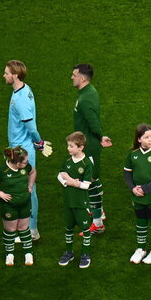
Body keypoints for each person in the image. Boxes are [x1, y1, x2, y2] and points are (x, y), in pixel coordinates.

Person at [5, 60, 48, 241]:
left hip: (22, 150)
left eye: (7, 73)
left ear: (15, 75)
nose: (4, 75)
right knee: (26, 187)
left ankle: (31, 230)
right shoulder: (25, 89)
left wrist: (39, 143)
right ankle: (29, 227)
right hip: (21, 146)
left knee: (29, 188)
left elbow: (30, 126)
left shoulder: (20, 100)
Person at [71, 63, 112, 233]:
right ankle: (99, 213)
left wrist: (100, 136)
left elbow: (93, 122)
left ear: (82, 78)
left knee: (91, 182)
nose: (72, 77)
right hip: (89, 144)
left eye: (74, 75)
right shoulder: (89, 92)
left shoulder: (85, 98)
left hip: (88, 147)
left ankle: (97, 224)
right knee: (93, 179)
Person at [0, 146, 36, 266]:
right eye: (25, 161)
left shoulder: (25, 167)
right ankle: (9, 254)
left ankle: (28, 253)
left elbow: (33, 172)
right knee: (10, 229)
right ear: (17, 164)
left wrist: (30, 185)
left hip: (25, 204)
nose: (27, 163)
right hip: (9, 207)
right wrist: (0, 193)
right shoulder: (2, 172)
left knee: (24, 228)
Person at [124, 124, 151, 265]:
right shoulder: (132, 154)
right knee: (141, 222)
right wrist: (133, 189)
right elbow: (127, 174)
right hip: (137, 195)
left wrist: (145, 189)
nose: (150, 140)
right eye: (146, 137)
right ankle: (141, 248)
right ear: (139, 139)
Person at [57, 132, 95, 268]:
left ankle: (86, 254)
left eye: (71, 146)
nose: (68, 148)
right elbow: (60, 175)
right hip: (68, 201)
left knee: (85, 229)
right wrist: (69, 181)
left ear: (81, 147)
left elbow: (86, 185)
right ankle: (69, 252)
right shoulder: (67, 161)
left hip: (81, 203)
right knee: (68, 228)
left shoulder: (87, 163)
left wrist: (72, 182)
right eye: (68, 145)